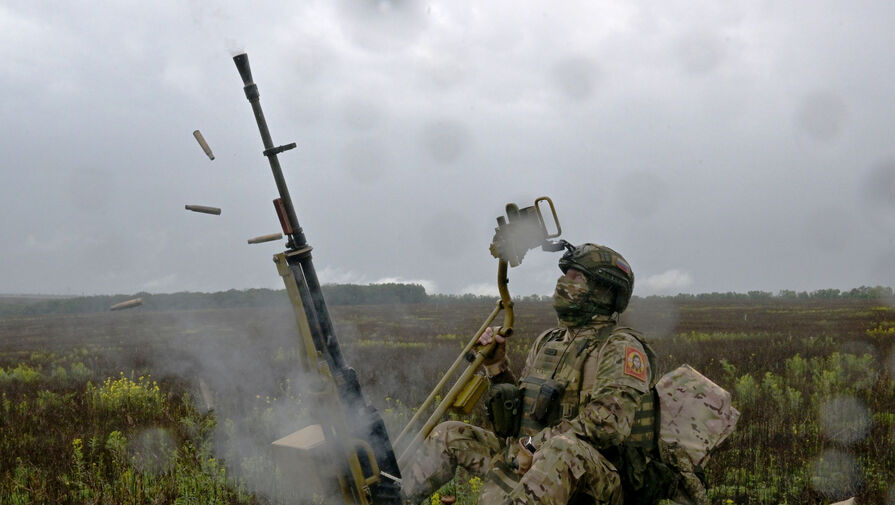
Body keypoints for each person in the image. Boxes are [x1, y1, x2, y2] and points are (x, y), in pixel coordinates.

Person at [402, 243, 683, 505]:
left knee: (562, 449)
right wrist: (497, 367)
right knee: (448, 434)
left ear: (604, 291)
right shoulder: (549, 340)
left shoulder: (621, 347)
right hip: (529, 459)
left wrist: (535, 445)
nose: (564, 282)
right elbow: (521, 416)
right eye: (565, 275)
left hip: (594, 476)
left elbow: (608, 426)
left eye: (576, 277)